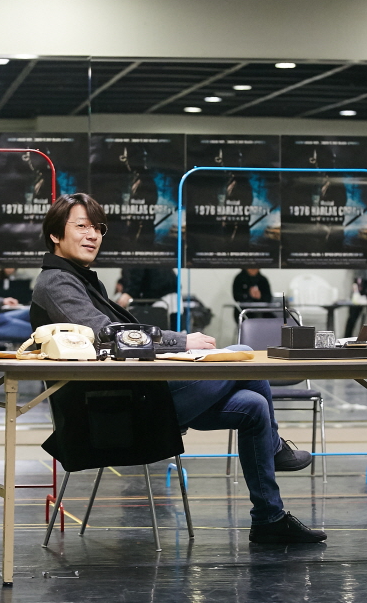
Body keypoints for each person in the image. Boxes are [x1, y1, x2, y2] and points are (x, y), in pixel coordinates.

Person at [31, 193, 326, 544]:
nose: (93, 234)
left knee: (255, 406)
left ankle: (268, 519)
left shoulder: (81, 280)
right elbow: (109, 335)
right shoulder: (56, 282)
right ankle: (274, 451)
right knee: (244, 353)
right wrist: (182, 342)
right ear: (55, 234)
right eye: (82, 226)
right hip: (112, 411)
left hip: (135, 396)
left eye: (98, 228)